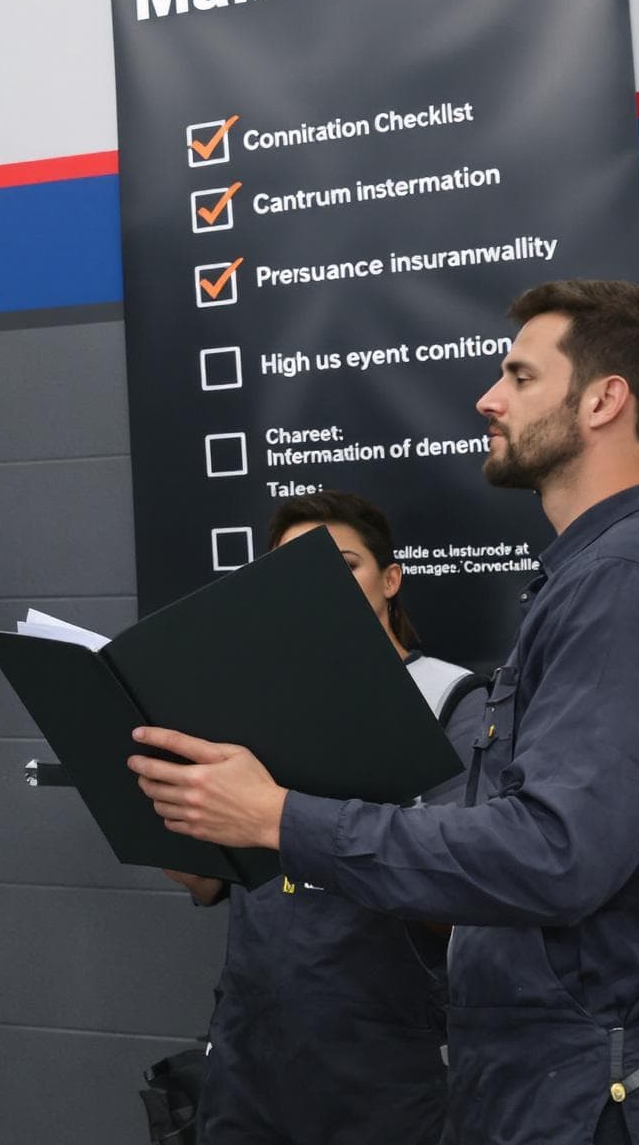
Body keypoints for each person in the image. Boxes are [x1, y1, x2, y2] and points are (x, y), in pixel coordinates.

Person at [130, 279, 639, 1145]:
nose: (488, 398)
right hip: (546, 1074)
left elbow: (555, 853)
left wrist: (281, 816)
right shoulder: (601, 573)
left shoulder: (630, 578)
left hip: (602, 1086)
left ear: (605, 401)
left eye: (520, 377)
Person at [163, 490, 487, 1145]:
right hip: (250, 1056)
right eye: (294, 570)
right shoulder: (250, 705)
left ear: (391, 580)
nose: (320, 585)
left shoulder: (453, 700)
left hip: (389, 1060)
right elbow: (205, 882)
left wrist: (327, 824)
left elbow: (463, 894)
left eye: (343, 565)